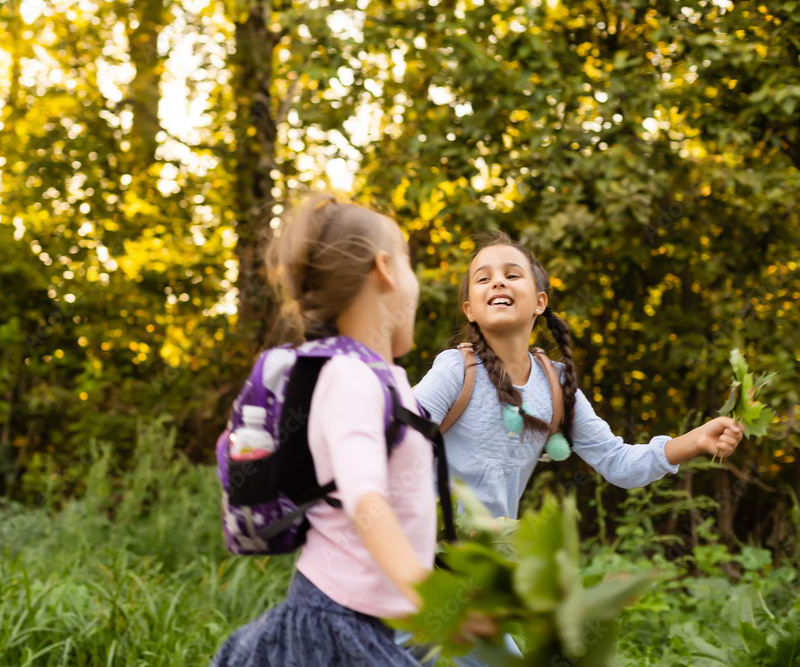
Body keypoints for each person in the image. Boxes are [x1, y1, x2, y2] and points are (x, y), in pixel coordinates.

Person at [401, 230, 745, 667]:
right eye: (482, 279)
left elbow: (618, 463)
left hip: (477, 572)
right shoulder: (455, 369)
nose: (498, 283)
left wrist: (694, 441)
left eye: (512, 274)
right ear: (470, 308)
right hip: (413, 555)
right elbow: (395, 432)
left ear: (540, 301)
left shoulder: (557, 386)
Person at [212, 193, 488, 666]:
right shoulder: (351, 378)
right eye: (409, 262)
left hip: (359, 625)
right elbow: (366, 502)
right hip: (330, 627)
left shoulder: (381, 379)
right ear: (385, 269)